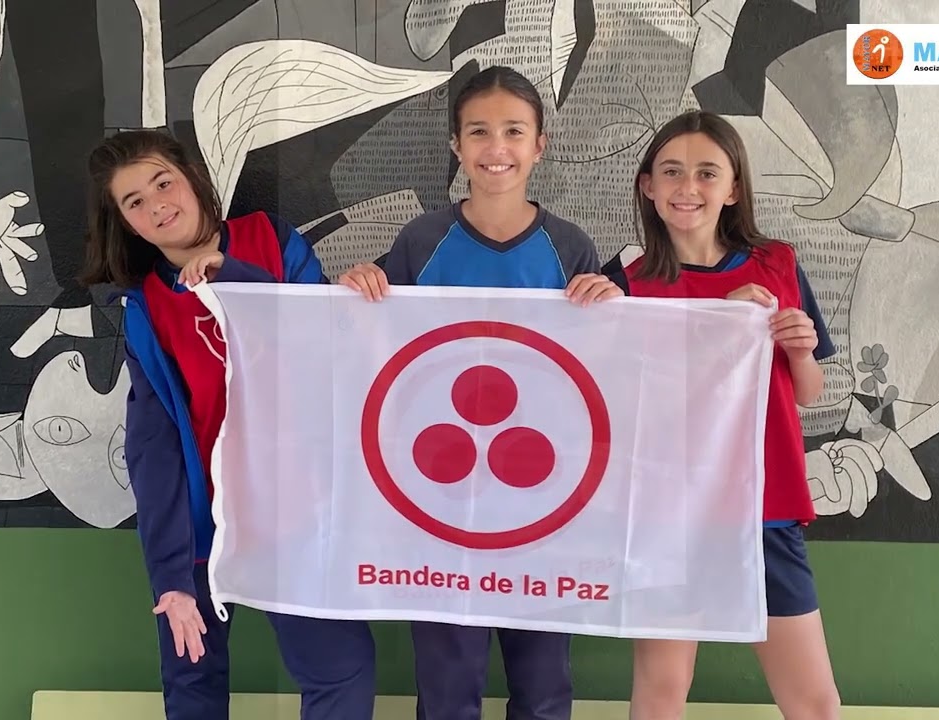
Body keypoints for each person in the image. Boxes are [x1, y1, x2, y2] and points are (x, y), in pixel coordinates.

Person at [339, 65, 619, 719]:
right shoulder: (423, 240)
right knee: (446, 681)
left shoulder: (571, 246)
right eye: (479, 132)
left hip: (544, 500)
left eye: (514, 131)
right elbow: (374, 347)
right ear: (456, 145)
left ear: (539, 144)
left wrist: (612, 309)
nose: (497, 148)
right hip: (440, 495)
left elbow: (601, 372)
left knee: (544, 681)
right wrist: (355, 293)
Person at [78, 128, 377, 720]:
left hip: (299, 519)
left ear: (193, 178)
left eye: (163, 182)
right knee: (192, 683)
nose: (157, 204)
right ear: (125, 223)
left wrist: (237, 277)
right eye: (134, 201)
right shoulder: (146, 305)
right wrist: (170, 576)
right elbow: (153, 448)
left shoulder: (270, 239)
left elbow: (324, 348)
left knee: (341, 674)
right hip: (205, 531)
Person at [607, 109, 842, 719]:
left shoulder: (778, 266)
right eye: (672, 172)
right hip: (668, 514)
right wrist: (716, 324)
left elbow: (804, 394)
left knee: (814, 701)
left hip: (764, 504)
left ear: (733, 187)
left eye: (707, 173)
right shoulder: (625, 284)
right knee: (662, 689)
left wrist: (800, 348)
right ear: (647, 186)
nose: (689, 188)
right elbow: (620, 404)